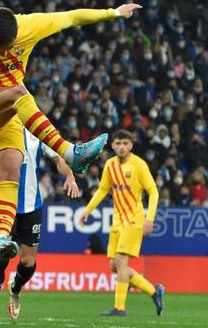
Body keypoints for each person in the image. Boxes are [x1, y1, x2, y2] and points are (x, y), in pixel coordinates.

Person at [0, 4, 141, 262]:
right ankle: (70, 153)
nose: (4, 52)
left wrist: (113, 13)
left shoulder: (30, 26)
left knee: (10, 172)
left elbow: (71, 17)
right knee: (20, 91)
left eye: (9, 46)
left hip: (6, 114)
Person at [0, 128, 79, 328]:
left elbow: (57, 158)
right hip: (3, 206)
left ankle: (15, 288)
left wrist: (69, 176)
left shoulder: (36, 130)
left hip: (31, 207)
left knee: (28, 262)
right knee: (0, 260)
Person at [79, 130, 164, 317]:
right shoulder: (110, 165)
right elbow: (102, 190)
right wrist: (87, 211)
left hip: (134, 220)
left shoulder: (139, 165)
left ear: (131, 145)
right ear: (113, 146)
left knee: (121, 263)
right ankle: (154, 290)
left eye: (125, 143)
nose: (122, 147)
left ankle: (120, 308)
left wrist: (150, 218)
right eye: (118, 143)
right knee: (114, 267)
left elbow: (153, 192)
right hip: (117, 221)